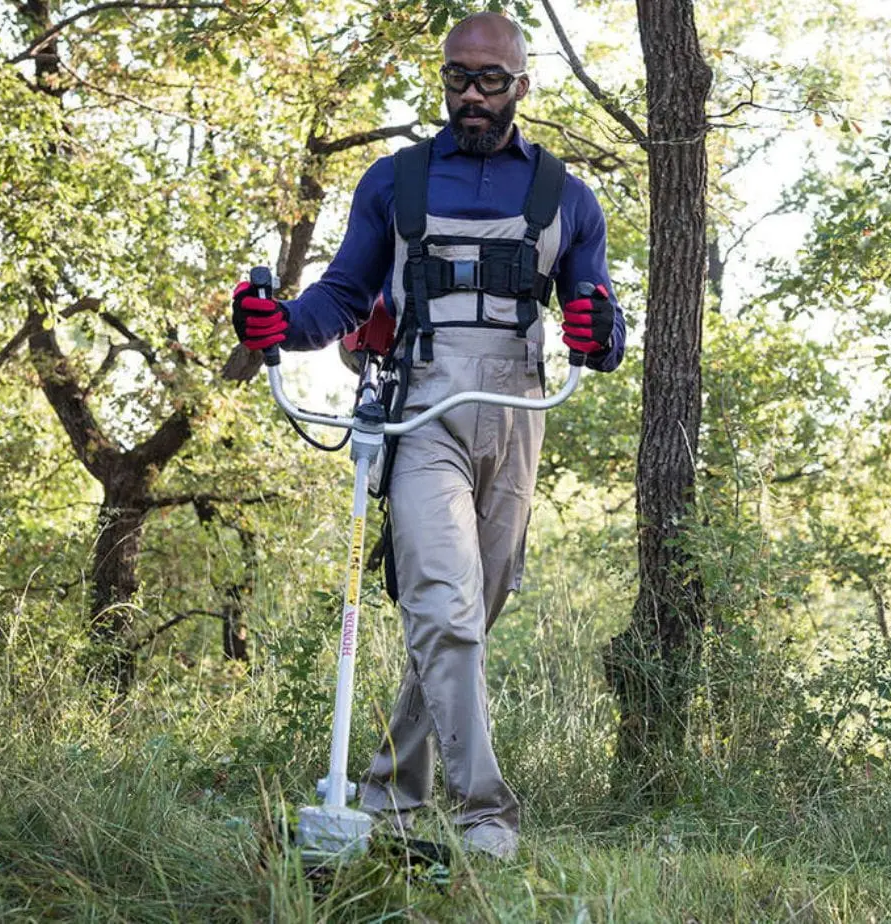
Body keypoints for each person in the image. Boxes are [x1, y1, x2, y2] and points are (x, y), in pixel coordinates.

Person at [230, 11, 625, 859]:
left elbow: (598, 317)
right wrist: (276, 328)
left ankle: (388, 799)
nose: (471, 96)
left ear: (522, 85)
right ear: (443, 79)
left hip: (518, 415)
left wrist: (600, 334)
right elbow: (338, 297)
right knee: (442, 607)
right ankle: (485, 815)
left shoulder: (566, 196)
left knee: (467, 619)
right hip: (422, 407)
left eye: (490, 80)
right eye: (457, 78)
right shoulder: (395, 182)